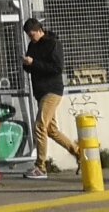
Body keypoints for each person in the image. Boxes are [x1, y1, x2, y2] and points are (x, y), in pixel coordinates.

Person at [22, 17, 79, 178]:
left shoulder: (53, 44)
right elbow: (32, 67)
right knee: (51, 130)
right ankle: (80, 153)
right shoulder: (32, 45)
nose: (31, 38)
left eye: (32, 35)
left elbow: (57, 68)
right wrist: (27, 64)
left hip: (52, 91)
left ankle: (41, 167)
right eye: (29, 36)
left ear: (40, 30)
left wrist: (34, 62)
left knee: (40, 126)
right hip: (40, 92)